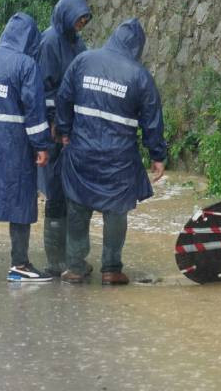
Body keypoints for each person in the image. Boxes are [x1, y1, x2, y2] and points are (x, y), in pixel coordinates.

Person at [55, 18, 167, 285]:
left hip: (82, 152)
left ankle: (75, 267)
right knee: (116, 212)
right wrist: (157, 156)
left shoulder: (84, 61)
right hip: (118, 160)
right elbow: (152, 120)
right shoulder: (140, 76)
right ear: (137, 46)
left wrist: (65, 131)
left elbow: (63, 98)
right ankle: (111, 269)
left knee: (78, 209)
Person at [0, 12, 54, 283]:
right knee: (21, 200)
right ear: (30, 38)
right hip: (14, 144)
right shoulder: (26, 65)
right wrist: (41, 145)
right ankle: (20, 264)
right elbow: (34, 110)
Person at [35, 0, 92, 274]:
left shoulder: (77, 43)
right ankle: (54, 261)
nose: (81, 25)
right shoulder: (49, 42)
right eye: (79, 20)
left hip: (73, 126)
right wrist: (54, 121)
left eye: (84, 21)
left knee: (75, 193)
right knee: (56, 193)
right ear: (67, 16)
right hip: (54, 129)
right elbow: (44, 88)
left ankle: (73, 259)